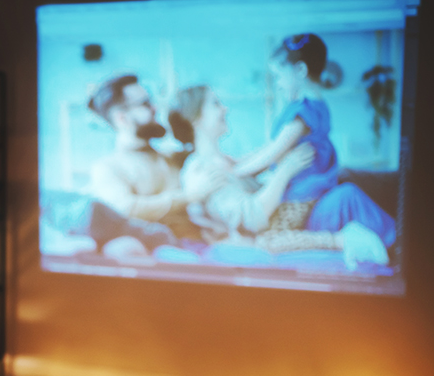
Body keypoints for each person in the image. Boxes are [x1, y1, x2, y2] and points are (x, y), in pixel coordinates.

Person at [170, 85, 390, 268]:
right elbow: (253, 219)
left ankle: (399, 248)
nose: (225, 109)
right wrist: (286, 170)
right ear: (195, 119)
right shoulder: (202, 171)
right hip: (270, 237)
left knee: (346, 193)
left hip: (285, 222)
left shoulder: (226, 161)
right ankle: (402, 252)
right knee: (347, 198)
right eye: (215, 104)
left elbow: (265, 155)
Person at [232, 33, 396, 255]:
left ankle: (343, 242)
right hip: (311, 190)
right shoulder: (315, 106)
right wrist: (237, 161)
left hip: (302, 196)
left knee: (266, 240)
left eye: (279, 76)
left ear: (300, 71)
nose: (278, 84)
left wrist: (236, 172)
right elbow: (269, 147)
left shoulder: (304, 113)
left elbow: (273, 151)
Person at [87, 74, 222, 241]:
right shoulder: (108, 168)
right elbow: (125, 208)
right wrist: (188, 196)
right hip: (163, 256)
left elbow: (227, 167)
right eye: (145, 104)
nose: (155, 108)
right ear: (122, 118)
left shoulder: (172, 157)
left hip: (202, 247)